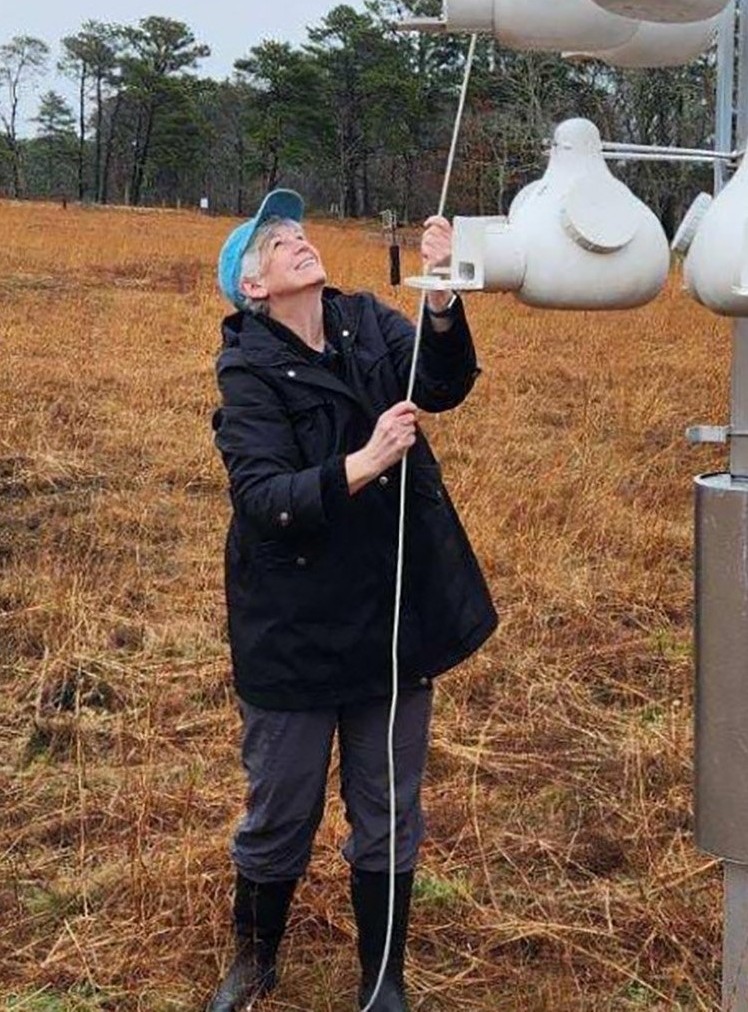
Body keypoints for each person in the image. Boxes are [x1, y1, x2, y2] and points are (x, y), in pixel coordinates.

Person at [204, 190, 498, 1012]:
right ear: (253, 287)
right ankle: (255, 963)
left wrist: (442, 295)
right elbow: (264, 497)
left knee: (389, 805)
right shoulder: (247, 372)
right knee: (280, 811)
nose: (298, 242)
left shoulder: (367, 321)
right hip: (293, 625)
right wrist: (363, 462)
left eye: (300, 232)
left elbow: (442, 384)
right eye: (276, 243)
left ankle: (383, 980)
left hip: (393, 611)